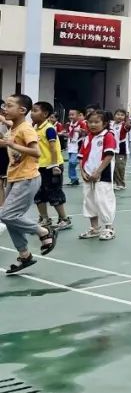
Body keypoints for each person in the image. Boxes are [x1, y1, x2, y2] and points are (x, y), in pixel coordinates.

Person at [2, 94, 59, 274]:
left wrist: (12, 144)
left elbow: (35, 152)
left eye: (9, 105)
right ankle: (25, 255)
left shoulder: (26, 128)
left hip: (27, 178)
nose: (5, 108)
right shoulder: (14, 127)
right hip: (14, 177)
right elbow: (8, 141)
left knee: (7, 215)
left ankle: (43, 231)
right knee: (11, 218)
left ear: (22, 111)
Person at [31, 102, 72, 231]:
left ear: (45, 114)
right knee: (38, 194)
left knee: (54, 193)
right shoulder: (35, 128)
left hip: (52, 166)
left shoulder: (49, 128)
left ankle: (64, 219)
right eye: (31, 110)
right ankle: (44, 219)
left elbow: (53, 149)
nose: (32, 113)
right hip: (39, 166)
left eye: (35, 110)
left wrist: (55, 165)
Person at [78, 110, 118, 241]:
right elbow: (81, 156)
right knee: (89, 201)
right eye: (90, 122)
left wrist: (98, 171)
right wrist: (82, 171)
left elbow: (109, 155)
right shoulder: (87, 137)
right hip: (88, 175)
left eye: (96, 122)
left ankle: (109, 228)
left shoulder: (108, 136)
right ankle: (94, 228)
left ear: (105, 123)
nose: (92, 125)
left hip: (102, 175)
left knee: (103, 200)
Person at [65, 108, 86, 186]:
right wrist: (66, 134)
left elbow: (86, 132)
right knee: (70, 164)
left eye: (73, 115)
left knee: (72, 162)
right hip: (71, 145)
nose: (71, 116)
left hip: (78, 145)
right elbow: (67, 133)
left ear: (78, 115)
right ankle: (73, 179)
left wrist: (81, 131)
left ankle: (82, 170)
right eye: (70, 114)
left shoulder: (81, 123)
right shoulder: (69, 124)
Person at [110, 109, 130, 191]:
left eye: (122, 115)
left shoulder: (124, 125)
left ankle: (121, 184)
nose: (119, 116)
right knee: (113, 167)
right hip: (112, 148)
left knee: (120, 167)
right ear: (114, 116)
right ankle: (115, 182)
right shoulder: (112, 124)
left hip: (121, 150)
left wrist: (127, 118)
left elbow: (128, 126)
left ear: (124, 117)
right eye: (118, 114)